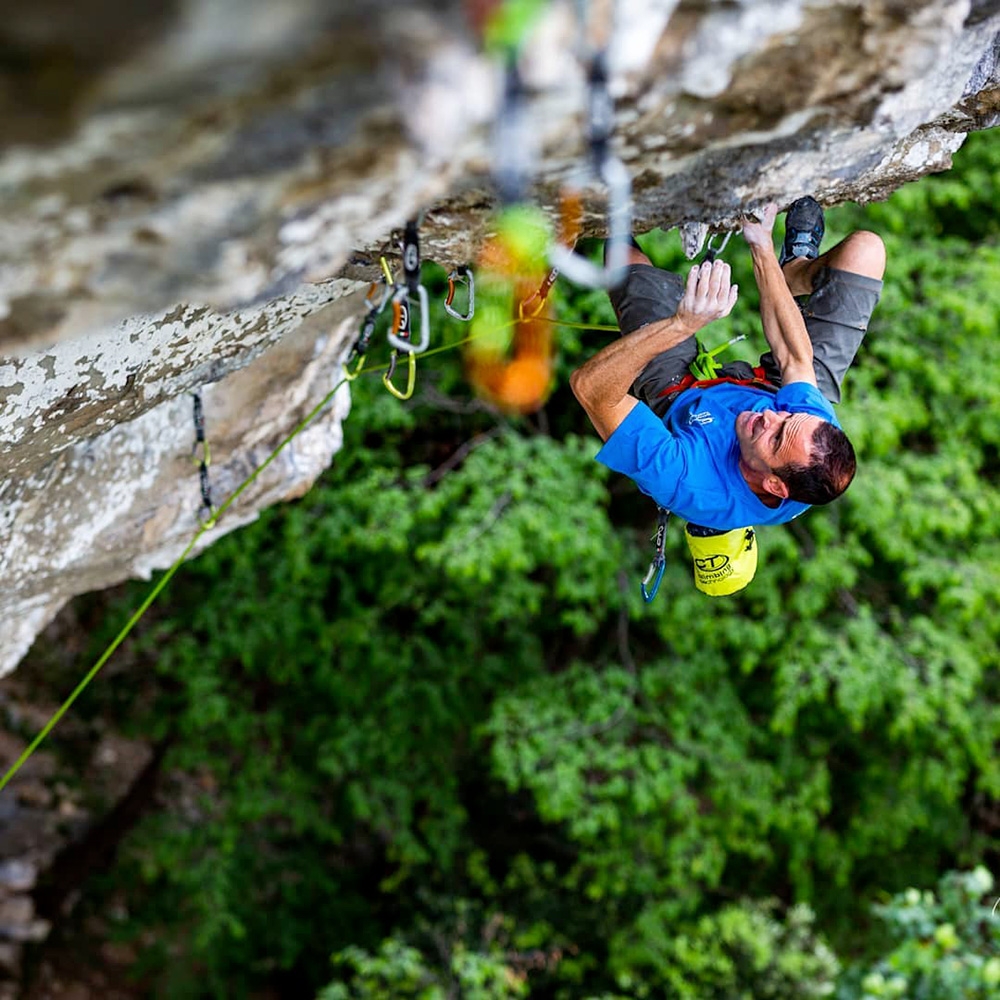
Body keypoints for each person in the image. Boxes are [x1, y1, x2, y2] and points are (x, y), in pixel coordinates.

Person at [570, 198, 885, 540]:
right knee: (864, 251)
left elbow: (592, 389)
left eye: (776, 437)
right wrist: (760, 244)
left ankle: (611, 214)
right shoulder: (809, 435)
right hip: (771, 384)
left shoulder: (689, 482)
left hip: (683, 397)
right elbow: (795, 359)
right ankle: (793, 271)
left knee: (631, 272)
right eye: (787, 419)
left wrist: (681, 325)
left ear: (774, 485)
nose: (770, 416)